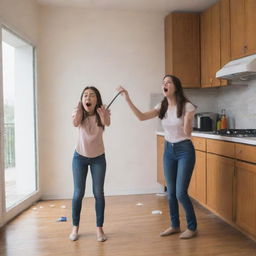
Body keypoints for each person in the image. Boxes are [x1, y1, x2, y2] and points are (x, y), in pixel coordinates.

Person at [117, 75, 197, 239]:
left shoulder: (187, 106)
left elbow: (188, 133)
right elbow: (141, 117)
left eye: (168, 82)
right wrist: (127, 99)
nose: (164, 85)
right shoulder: (163, 106)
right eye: (163, 83)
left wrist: (189, 119)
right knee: (171, 191)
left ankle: (192, 227)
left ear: (176, 87)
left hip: (184, 150)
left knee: (181, 192)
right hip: (169, 150)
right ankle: (174, 225)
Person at [69, 86, 110, 242]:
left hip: (98, 158)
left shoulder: (102, 114)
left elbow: (108, 122)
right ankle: (75, 227)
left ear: (96, 100)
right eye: (85, 95)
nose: (88, 98)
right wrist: (79, 112)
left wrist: (104, 115)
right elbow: (75, 123)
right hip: (79, 157)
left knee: (98, 193)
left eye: (92, 95)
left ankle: (99, 229)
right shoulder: (78, 113)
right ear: (82, 100)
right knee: (78, 193)